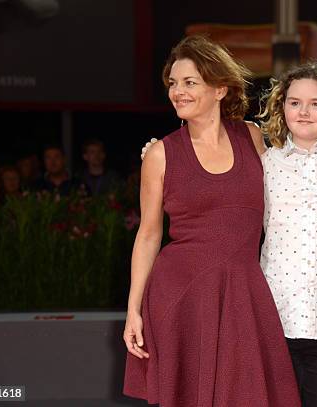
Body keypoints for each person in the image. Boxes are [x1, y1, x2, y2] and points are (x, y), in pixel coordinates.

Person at [122, 35, 300, 406]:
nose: (178, 92)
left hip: (244, 293)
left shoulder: (251, 136)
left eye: (190, 82)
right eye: (172, 83)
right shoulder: (160, 154)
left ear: (220, 89)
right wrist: (133, 311)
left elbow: (285, 205)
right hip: (181, 296)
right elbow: (149, 235)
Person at [256, 62, 317, 407]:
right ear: (282, 107)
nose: (304, 111)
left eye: (316, 103)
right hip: (272, 319)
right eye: (295, 102)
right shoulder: (263, 163)